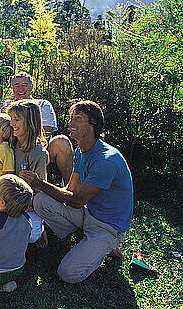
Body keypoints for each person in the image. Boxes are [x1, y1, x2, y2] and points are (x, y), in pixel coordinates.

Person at [20, 101, 133, 284]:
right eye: (72, 117)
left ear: (93, 124)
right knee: (41, 201)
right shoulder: (81, 150)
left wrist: (40, 183)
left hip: (107, 226)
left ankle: (107, 245)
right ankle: (85, 238)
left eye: (78, 118)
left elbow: (77, 200)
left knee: (68, 274)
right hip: (88, 213)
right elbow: (70, 191)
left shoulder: (106, 161)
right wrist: (37, 193)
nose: (71, 122)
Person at [3, 72, 74, 185]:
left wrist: (31, 146)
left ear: (32, 86)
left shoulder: (43, 104)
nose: (20, 89)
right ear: (12, 88)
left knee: (62, 142)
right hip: (14, 146)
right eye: (16, 85)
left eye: (24, 84)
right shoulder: (7, 107)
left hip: (38, 145)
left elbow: (46, 132)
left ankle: (70, 190)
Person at [6, 100, 47, 244]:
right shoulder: (9, 144)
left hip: (27, 206)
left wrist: (26, 202)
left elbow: (40, 189)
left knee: (28, 237)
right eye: (11, 119)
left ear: (30, 122)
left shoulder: (38, 153)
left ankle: (41, 229)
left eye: (16, 120)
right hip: (7, 200)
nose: (12, 124)